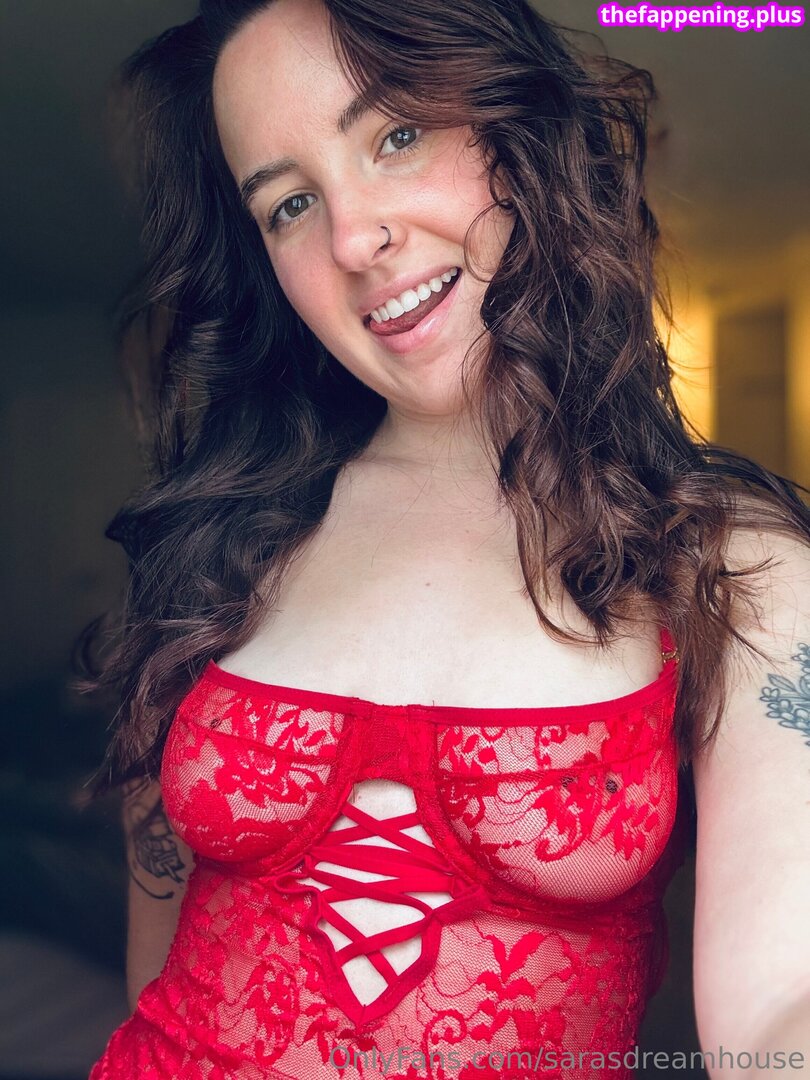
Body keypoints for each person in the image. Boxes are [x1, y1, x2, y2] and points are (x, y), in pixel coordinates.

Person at [77, 0, 810, 1076]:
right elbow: (155, 969)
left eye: (397, 135)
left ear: (520, 129)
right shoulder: (223, 541)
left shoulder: (728, 565)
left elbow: (783, 1004)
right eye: (288, 205)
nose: (352, 238)